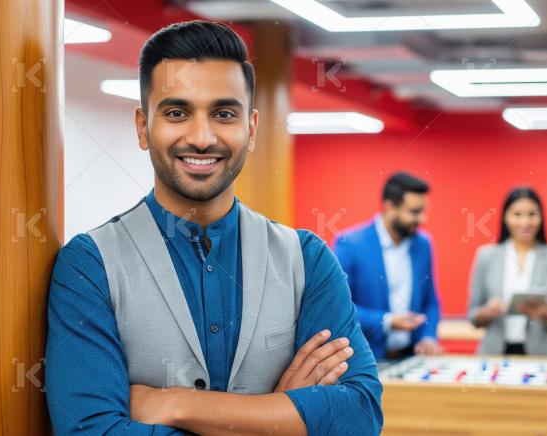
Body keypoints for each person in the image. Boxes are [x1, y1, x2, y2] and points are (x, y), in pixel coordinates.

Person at [45, 21, 382, 435]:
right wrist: (278, 414)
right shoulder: (89, 266)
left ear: (251, 129)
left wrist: (173, 403)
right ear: (142, 127)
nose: (202, 137)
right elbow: (90, 432)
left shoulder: (307, 260)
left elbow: (359, 416)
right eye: (176, 112)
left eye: (223, 113)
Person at [334, 172, 442, 360]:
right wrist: (387, 321)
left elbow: (430, 302)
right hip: (365, 361)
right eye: (414, 212)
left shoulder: (423, 244)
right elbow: (337, 307)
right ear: (390, 207)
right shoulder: (349, 244)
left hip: (410, 357)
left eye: (423, 211)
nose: (422, 219)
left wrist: (428, 337)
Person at [467, 187, 547, 356]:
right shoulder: (486, 256)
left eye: (532, 214)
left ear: (541, 217)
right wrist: (488, 311)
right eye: (517, 214)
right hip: (496, 354)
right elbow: (473, 317)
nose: (525, 222)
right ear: (505, 217)